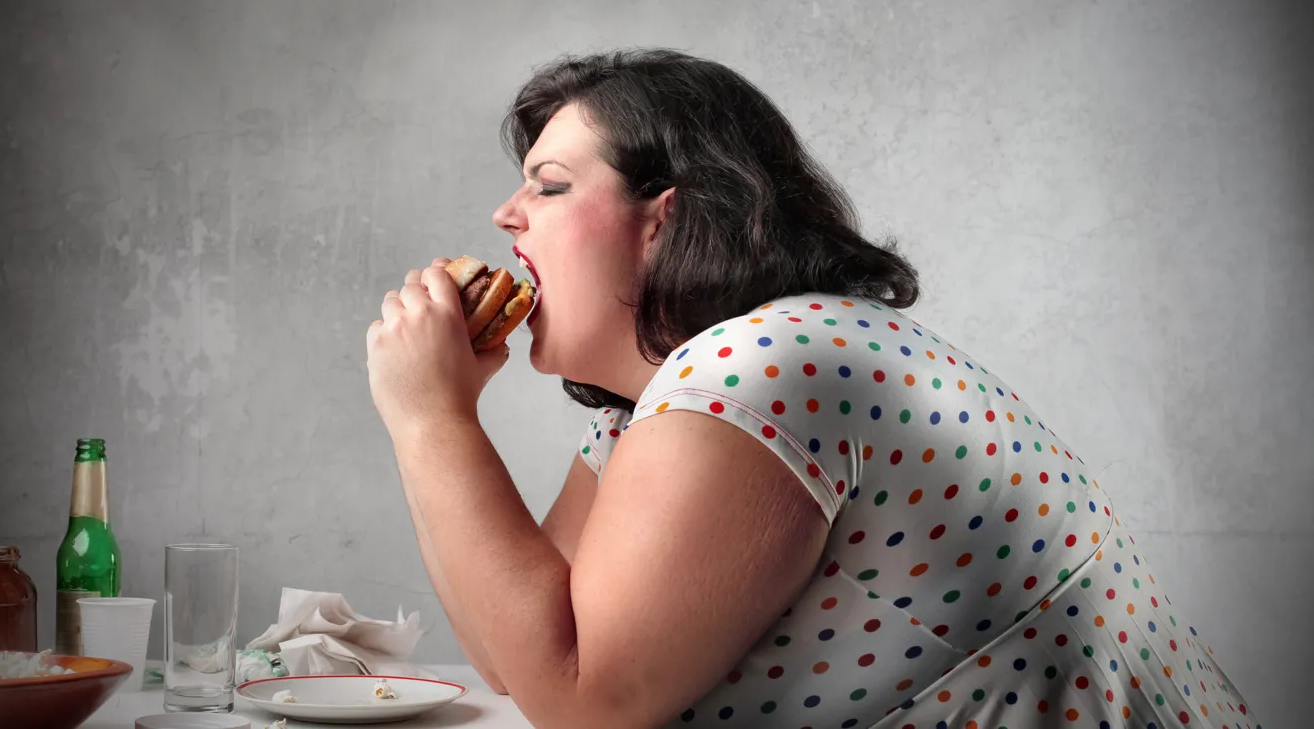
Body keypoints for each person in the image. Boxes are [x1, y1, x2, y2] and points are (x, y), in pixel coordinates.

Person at [365, 49, 1259, 729]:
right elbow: (510, 659)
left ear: (665, 218)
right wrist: (429, 419)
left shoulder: (761, 370)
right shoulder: (668, 403)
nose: (504, 215)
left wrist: (431, 419)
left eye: (549, 186)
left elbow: (584, 702)